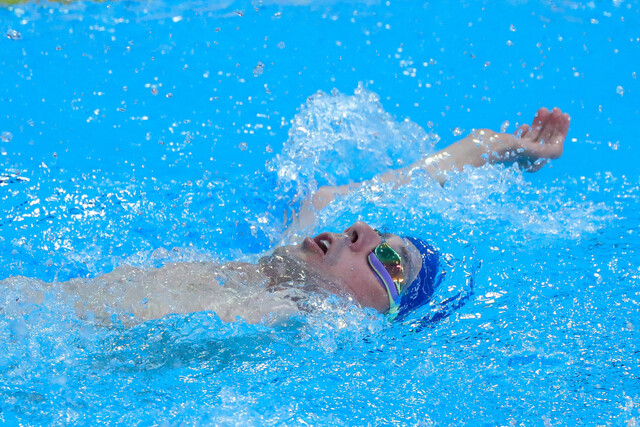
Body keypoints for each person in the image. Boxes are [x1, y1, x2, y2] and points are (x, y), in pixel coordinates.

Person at [3, 107, 570, 325]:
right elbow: (401, 179)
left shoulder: (278, 319)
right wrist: (500, 147)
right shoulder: (302, 248)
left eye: (388, 260)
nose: (364, 231)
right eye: (379, 232)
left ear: (374, 316)